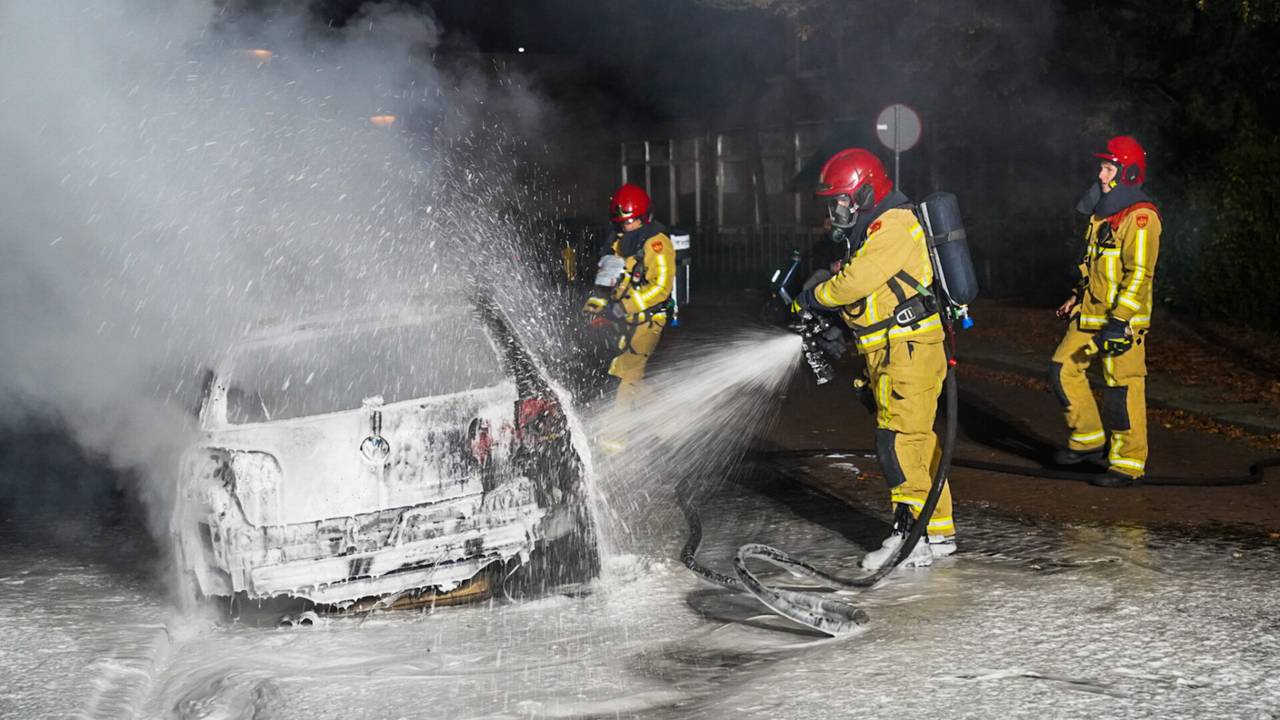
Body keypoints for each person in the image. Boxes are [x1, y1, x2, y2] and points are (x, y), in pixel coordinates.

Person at [793, 148, 956, 569]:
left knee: (899, 440)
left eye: (842, 201)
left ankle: (910, 538)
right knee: (917, 439)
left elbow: (855, 283)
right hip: (895, 349)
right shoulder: (871, 232)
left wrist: (816, 296)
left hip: (908, 349)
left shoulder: (893, 225)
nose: (836, 212)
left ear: (865, 193)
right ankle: (936, 532)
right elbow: (871, 297)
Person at [1051, 136, 1161, 487]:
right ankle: (1088, 440)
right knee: (1062, 369)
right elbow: (1095, 263)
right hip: (1091, 312)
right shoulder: (1103, 213)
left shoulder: (1141, 217)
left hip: (1121, 323)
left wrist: (1120, 321)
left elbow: (1140, 274)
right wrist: (1075, 294)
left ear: (1127, 173)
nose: (1101, 174)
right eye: (1102, 166)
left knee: (1121, 389)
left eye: (1108, 167)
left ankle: (1128, 463)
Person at [583, 184, 676, 424]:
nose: (626, 227)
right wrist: (593, 308)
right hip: (624, 321)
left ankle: (614, 440)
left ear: (645, 217)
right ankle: (668, 423)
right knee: (628, 375)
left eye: (631, 222)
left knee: (626, 376)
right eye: (622, 223)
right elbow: (607, 280)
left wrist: (625, 307)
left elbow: (660, 288)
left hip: (649, 322)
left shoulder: (657, 245)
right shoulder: (619, 242)